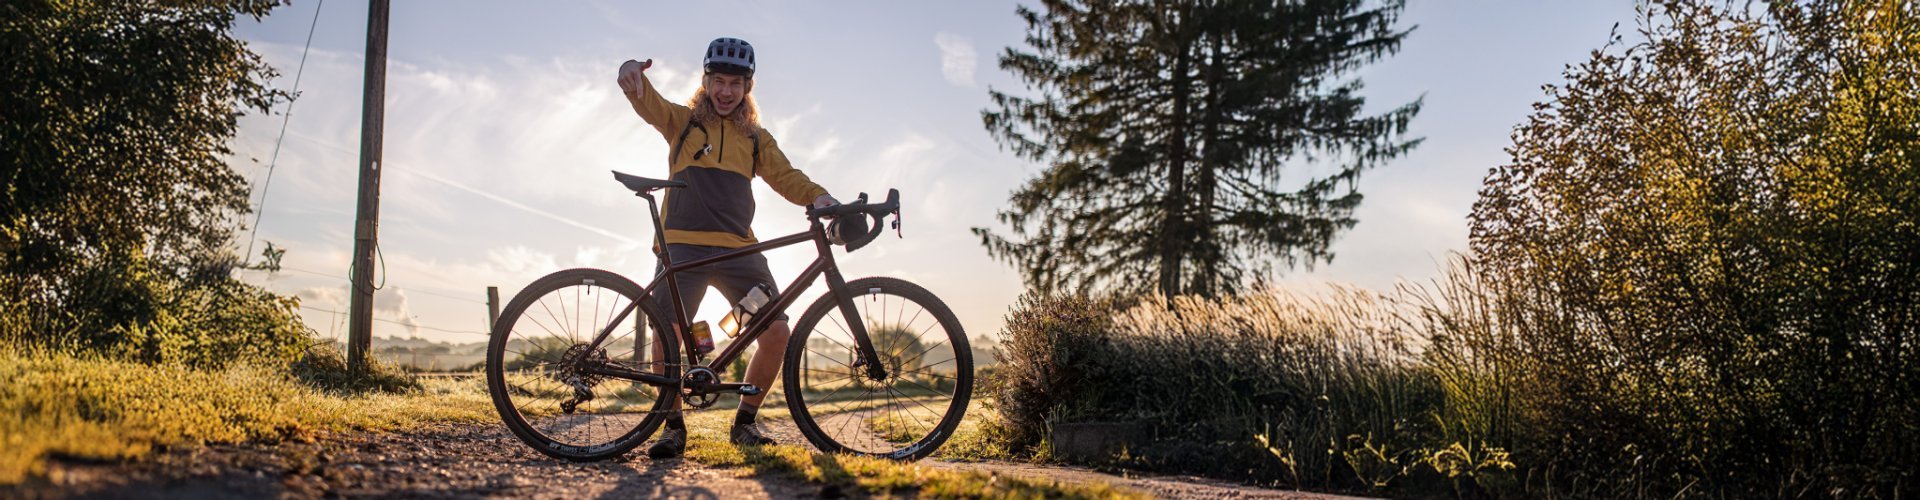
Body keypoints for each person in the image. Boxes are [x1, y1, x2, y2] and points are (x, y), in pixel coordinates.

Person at [615, 37, 837, 459]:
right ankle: (672, 426)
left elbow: (787, 177)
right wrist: (630, 74)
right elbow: (649, 103)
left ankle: (745, 424)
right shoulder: (681, 123)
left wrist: (821, 198)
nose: (725, 91)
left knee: (775, 333)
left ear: (747, 89)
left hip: (739, 252)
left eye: (735, 83)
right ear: (705, 81)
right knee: (669, 334)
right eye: (718, 81)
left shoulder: (755, 138)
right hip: (683, 246)